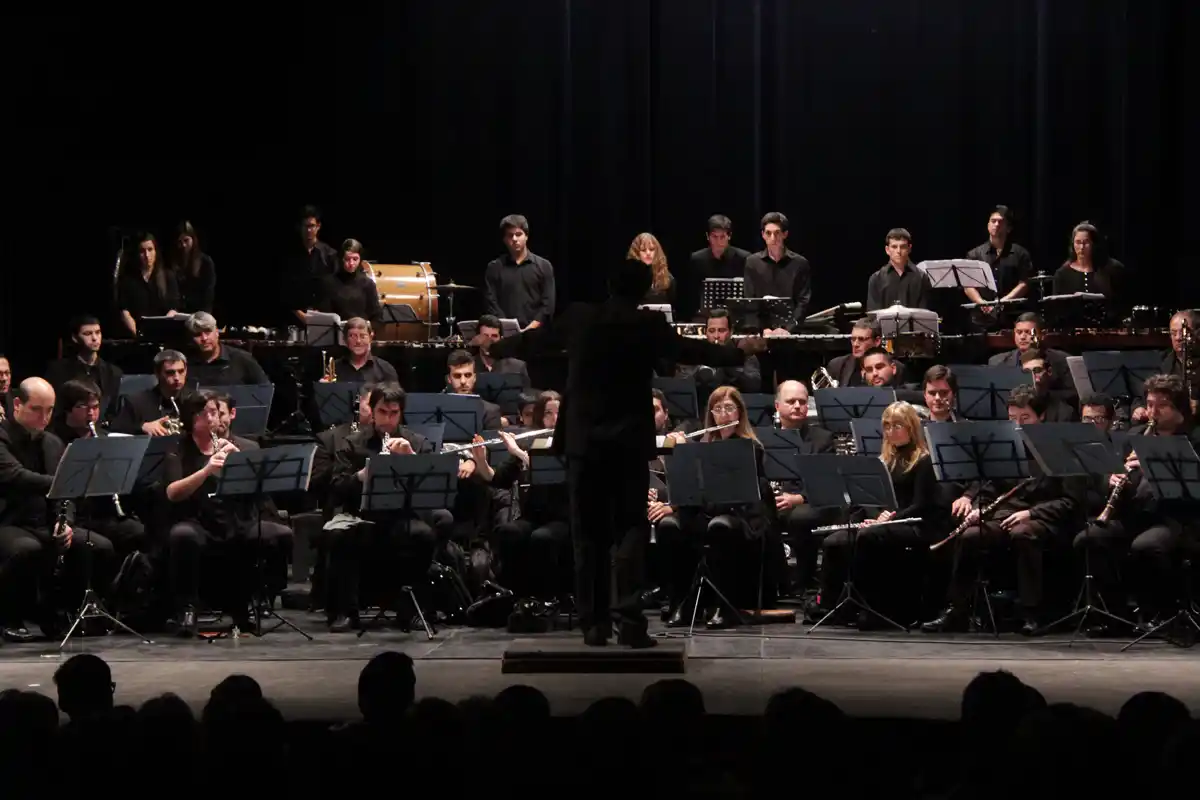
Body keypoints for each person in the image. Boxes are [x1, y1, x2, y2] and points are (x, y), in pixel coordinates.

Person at [488, 257, 766, 647]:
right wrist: (741, 352)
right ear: (645, 290)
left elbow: (537, 340)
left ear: (608, 284)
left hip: (584, 443)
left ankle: (594, 625)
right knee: (631, 529)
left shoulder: (581, 316)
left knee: (588, 536)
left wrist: (496, 345)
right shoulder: (647, 324)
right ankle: (630, 622)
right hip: (628, 442)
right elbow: (690, 350)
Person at [921, 385, 1082, 635]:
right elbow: (988, 486)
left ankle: (1032, 613)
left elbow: (1071, 501)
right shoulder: (1003, 446)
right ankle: (958, 610)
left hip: (1045, 518)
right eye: (1012, 419)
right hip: (1005, 514)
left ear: (1041, 417)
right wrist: (978, 507)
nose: (1018, 424)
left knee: (1023, 533)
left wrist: (1032, 513)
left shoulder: (1061, 449)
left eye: (1025, 418)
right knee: (971, 536)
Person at [163, 391, 293, 635]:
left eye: (214, 412)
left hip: (236, 518)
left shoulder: (245, 446)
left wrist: (241, 463)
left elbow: (258, 493)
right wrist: (206, 470)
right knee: (182, 536)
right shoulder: (178, 448)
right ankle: (187, 608)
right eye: (204, 414)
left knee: (276, 534)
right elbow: (172, 492)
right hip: (197, 519)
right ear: (191, 418)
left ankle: (256, 600)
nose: (213, 418)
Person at [810, 402, 949, 627]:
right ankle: (832, 604)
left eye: (897, 426)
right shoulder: (885, 459)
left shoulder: (923, 460)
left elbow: (921, 504)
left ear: (911, 427)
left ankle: (869, 605)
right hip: (887, 521)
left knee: (868, 537)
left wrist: (888, 518)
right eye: (887, 426)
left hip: (915, 523)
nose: (890, 431)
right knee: (835, 541)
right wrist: (875, 517)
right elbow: (874, 497)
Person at [0, 378, 114, 642]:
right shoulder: (2, 437)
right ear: (17, 404)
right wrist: (67, 481)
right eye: (37, 409)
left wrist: (66, 522)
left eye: (50, 410)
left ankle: (63, 611)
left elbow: (66, 495)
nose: (45, 417)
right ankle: (10, 618)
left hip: (44, 522)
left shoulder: (52, 442)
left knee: (98, 546)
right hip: (8, 521)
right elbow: (16, 476)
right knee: (26, 550)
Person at [743, 212, 812, 335]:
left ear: (785, 234)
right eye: (768, 233)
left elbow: (803, 302)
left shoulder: (800, 263)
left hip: (791, 331)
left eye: (777, 233)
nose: (773, 238)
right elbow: (750, 299)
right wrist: (762, 329)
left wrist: (788, 329)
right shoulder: (752, 262)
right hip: (762, 332)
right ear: (763, 235)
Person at [484, 214, 556, 331]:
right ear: (504, 239)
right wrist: (507, 328)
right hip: (504, 334)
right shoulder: (494, 267)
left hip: (536, 334)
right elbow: (491, 301)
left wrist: (530, 328)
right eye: (510, 235)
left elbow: (548, 305)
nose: (514, 239)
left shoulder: (544, 266)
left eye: (518, 234)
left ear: (526, 236)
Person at [865, 228, 932, 311]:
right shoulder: (876, 279)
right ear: (887, 250)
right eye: (894, 247)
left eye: (903, 246)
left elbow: (925, 313)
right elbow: (873, 315)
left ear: (909, 248)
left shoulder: (922, 278)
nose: (898, 251)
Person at [627, 232, 676, 306]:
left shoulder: (668, 278)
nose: (648, 253)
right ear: (636, 253)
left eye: (652, 249)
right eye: (643, 250)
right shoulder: (628, 278)